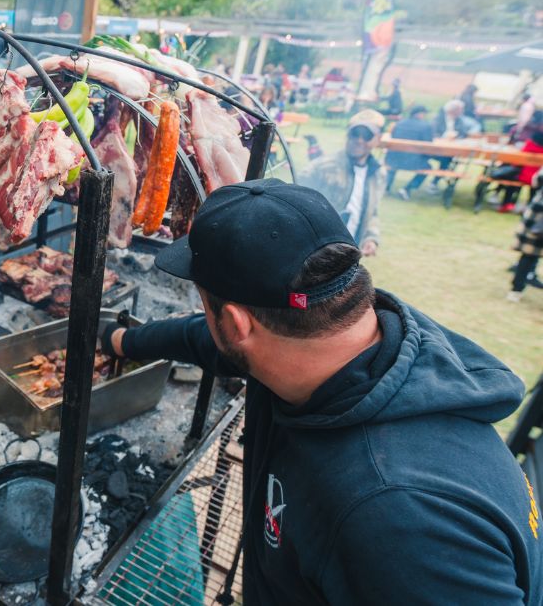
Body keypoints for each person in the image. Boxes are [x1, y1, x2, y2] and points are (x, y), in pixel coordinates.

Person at [101, 177, 542, 605]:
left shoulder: (392, 517)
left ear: (238, 324)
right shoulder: (348, 337)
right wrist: (120, 341)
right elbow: (211, 338)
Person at [297, 109, 385, 257]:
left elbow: (372, 212)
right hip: (316, 251)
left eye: (368, 136)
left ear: (378, 138)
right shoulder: (322, 166)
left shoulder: (378, 174)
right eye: (355, 134)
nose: (359, 140)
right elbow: (293, 198)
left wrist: (371, 237)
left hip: (351, 250)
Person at [385, 104, 434, 200]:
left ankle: (386, 188)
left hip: (392, 159)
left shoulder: (399, 123)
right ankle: (407, 189)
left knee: (393, 166)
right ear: (419, 114)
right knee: (428, 167)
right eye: (424, 114)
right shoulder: (426, 126)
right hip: (412, 162)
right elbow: (428, 147)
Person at [509, 176, 543, 301]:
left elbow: (537, 181)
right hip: (540, 215)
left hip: (539, 210)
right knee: (530, 252)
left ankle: (516, 289)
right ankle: (517, 288)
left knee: (530, 253)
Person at [426, 98, 471, 187]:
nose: (461, 112)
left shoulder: (459, 120)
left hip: (451, 149)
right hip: (436, 148)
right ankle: (435, 182)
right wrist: (444, 138)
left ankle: (435, 182)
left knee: (449, 158)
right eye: (460, 110)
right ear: (452, 110)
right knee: (447, 159)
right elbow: (433, 133)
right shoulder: (438, 119)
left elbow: (464, 133)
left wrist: (457, 138)